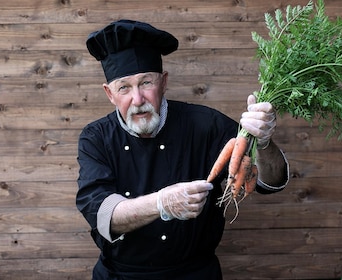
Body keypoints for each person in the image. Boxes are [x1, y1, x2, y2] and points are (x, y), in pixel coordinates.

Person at [76, 19, 290, 279]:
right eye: (124, 87)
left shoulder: (207, 125)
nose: (138, 99)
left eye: (146, 83)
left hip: (195, 273)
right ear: (110, 94)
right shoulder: (96, 138)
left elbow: (268, 182)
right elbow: (102, 214)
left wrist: (264, 143)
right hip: (121, 275)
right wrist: (162, 203)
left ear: (163, 82)